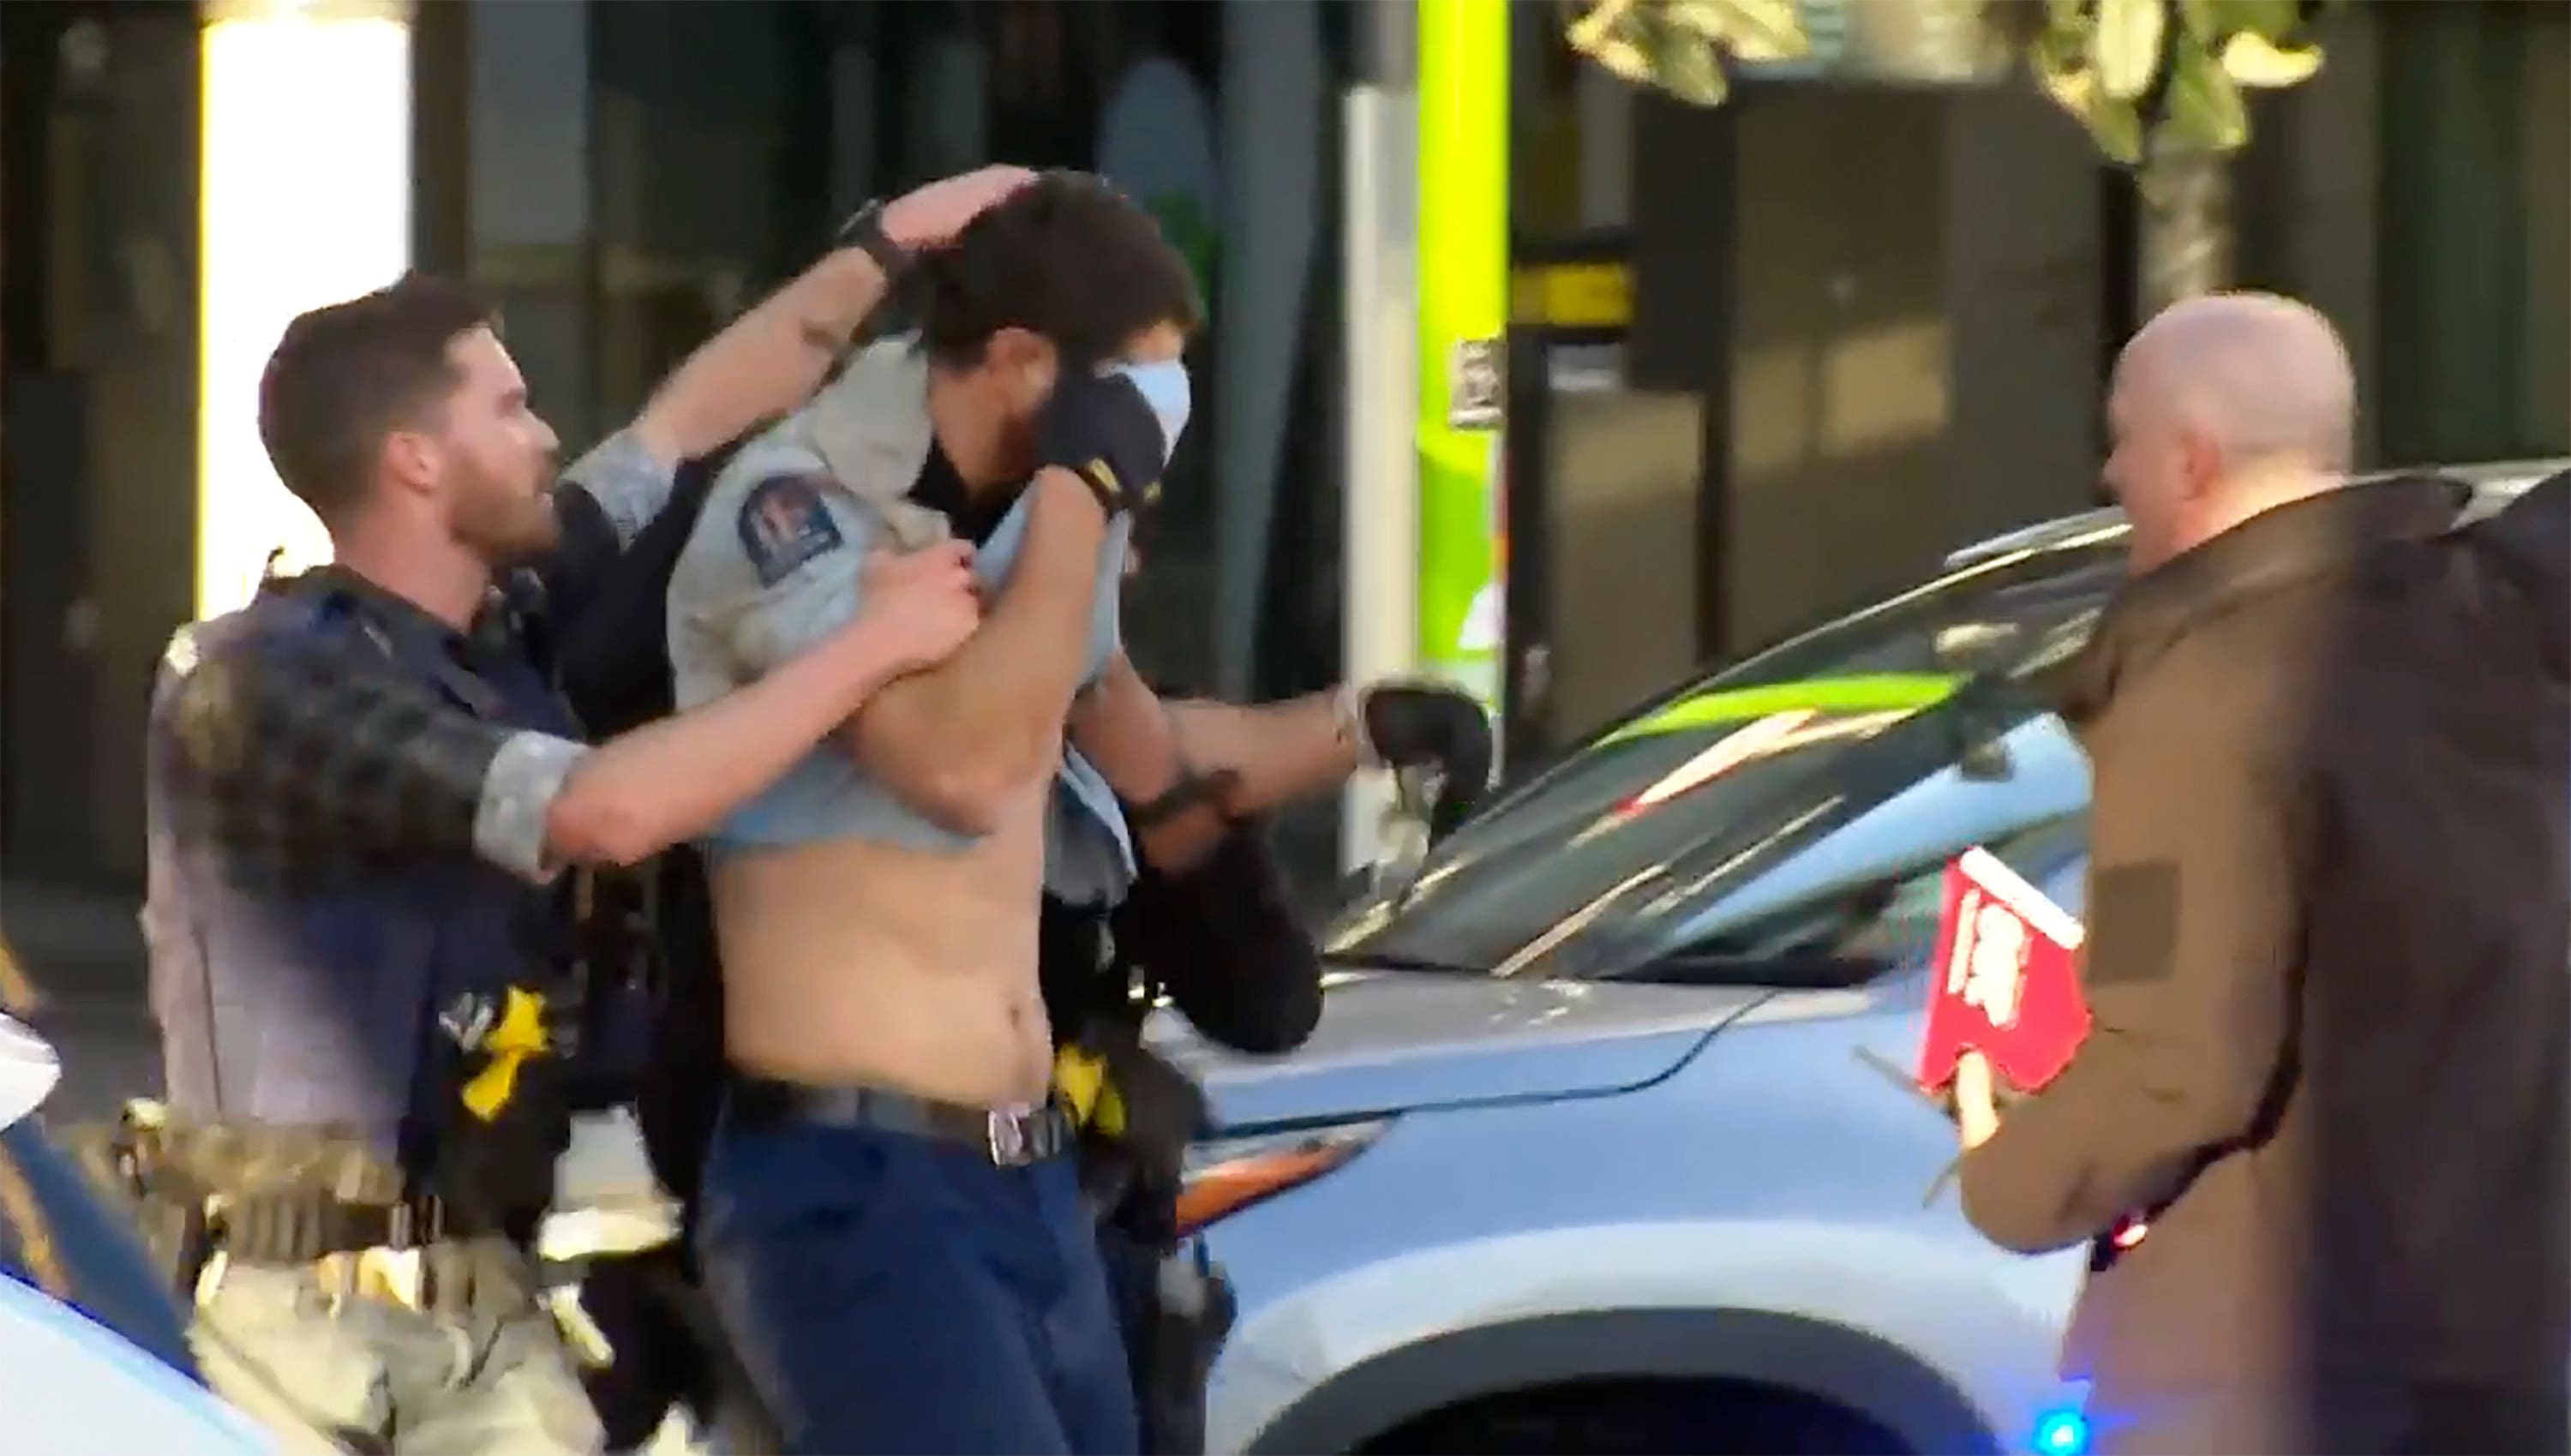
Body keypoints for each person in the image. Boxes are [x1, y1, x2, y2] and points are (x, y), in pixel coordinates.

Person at [129, 164, 1026, 1456]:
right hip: (293, 1337)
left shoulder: (499, 623)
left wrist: (886, 248)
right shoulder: (267, 688)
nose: (547, 435)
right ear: (416, 458)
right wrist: (871, 648)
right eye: (511, 405)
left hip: (482, 1304)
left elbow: (681, 427)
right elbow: (600, 815)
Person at [1951, 291, 2571, 1455]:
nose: (2110, 471)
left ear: (2188, 460)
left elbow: (2178, 1059)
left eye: (2123, 437)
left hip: (2260, 1375)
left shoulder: (2199, 697)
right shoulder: (2495, 621)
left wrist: (2007, 1175)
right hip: (2503, 1355)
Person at [666, 170, 1219, 1455]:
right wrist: (1082, 493)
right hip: (862, 1180)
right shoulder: (794, 510)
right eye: (1132, 387)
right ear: (1023, 361)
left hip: (1027, 1176)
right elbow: (961, 770)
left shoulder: (1037, 523)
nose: (1156, 426)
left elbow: (1111, 727)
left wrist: (1355, 728)